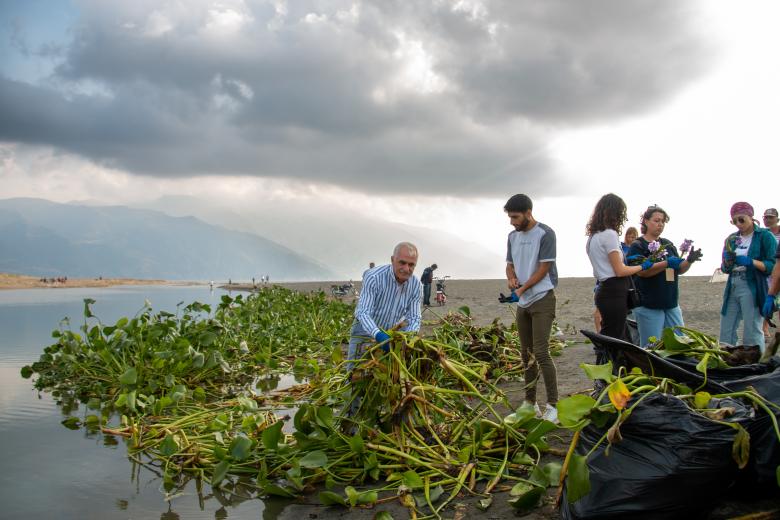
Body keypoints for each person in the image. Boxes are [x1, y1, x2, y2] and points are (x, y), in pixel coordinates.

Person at [504, 194, 559, 422]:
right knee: (525, 354)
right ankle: (530, 402)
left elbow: (544, 268)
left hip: (542, 297)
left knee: (541, 352)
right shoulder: (511, 236)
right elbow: (509, 265)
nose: (512, 222)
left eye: (515, 217)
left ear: (528, 212)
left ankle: (553, 405)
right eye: (510, 217)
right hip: (523, 301)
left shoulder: (545, 233)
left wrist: (522, 288)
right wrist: (511, 279)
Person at [628, 205, 703, 347]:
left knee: (680, 342)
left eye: (663, 221)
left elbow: (680, 269)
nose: (660, 224)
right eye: (656, 220)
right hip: (648, 304)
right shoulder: (638, 246)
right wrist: (666, 263)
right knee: (652, 346)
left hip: (671, 303)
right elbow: (641, 271)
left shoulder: (668, 244)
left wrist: (689, 261)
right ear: (645, 221)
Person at [586, 194, 654, 351]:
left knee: (611, 335)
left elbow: (606, 264)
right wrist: (643, 266)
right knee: (615, 340)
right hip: (614, 290)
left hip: (603, 289)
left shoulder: (592, 237)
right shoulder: (610, 234)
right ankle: (606, 373)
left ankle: (606, 372)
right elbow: (619, 270)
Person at [346, 242, 422, 373]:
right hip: (364, 332)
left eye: (411, 265)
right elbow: (363, 312)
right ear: (392, 260)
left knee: (383, 377)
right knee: (355, 376)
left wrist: (407, 338)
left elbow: (414, 318)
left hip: (391, 334)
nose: (406, 268)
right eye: (402, 262)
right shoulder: (374, 277)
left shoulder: (416, 285)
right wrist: (378, 335)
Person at [720, 202, 777, 353]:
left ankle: (756, 366)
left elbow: (772, 265)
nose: (738, 224)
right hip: (733, 283)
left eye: (742, 219)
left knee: (752, 330)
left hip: (751, 283)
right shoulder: (731, 239)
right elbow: (725, 269)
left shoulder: (765, 236)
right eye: (734, 221)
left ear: (751, 217)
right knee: (727, 328)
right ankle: (729, 363)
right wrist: (727, 261)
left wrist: (751, 262)